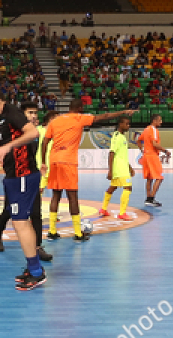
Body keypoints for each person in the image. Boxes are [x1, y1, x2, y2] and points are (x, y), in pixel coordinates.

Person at [0, 86, 46, 291]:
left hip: (23, 175)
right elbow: (13, 141)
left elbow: (32, 133)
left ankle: (36, 272)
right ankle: (33, 268)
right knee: (22, 223)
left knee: (20, 223)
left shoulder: (12, 112)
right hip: (16, 176)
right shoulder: (4, 117)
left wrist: (7, 147)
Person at [43, 97, 126, 242]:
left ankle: (52, 231)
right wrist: (123, 112)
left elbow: (45, 141)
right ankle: (78, 233)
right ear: (80, 108)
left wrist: (44, 161)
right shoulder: (79, 118)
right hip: (68, 161)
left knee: (55, 195)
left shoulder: (55, 121)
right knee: (72, 197)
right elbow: (105, 116)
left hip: (54, 160)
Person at [0, 106, 51, 263]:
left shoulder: (36, 133)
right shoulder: (14, 131)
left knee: (36, 213)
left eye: (35, 113)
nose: (33, 116)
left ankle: (37, 247)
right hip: (15, 177)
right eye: (29, 113)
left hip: (31, 176)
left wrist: (42, 165)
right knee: (8, 210)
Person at [99, 118, 134, 219]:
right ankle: (122, 213)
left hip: (122, 168)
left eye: (129, 124)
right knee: (128, 187)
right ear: (120, 124)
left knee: (113, 187)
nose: (128, 126)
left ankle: (103, 209)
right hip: (120, 169)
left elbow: (121, 155)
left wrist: (130, 167)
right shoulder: (117, 136)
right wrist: (110, 170)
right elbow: (111, 153)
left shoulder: (122, 137)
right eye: (127, 124)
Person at [140, 113, 169, 207]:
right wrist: (165, 150)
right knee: (159, 177)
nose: (161, 122)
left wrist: (142, 150)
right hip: (152, 155)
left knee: (149, 178)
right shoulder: (154, 130)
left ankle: (148, 198)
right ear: (154, 121)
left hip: (146, 155)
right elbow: (154, 144)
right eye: (160, 120)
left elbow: (138, 140)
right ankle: (151, 198)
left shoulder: (146, 129)